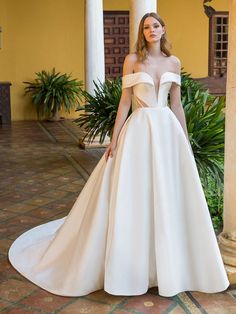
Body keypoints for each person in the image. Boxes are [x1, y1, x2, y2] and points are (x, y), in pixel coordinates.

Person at [9, 12, 229, 297]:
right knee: (135, 192)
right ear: (143, 32)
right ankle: (132, 265)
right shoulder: (132, 60)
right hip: (138, 131)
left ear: (164, 30)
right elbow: (125, 102)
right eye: (147, 27)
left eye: (156, 25)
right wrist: (113, 140)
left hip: (167, 132)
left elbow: (177, 105)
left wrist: (184, 141)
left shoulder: (174, 62)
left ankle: (169, 264)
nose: (152, 30)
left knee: (167, 192)